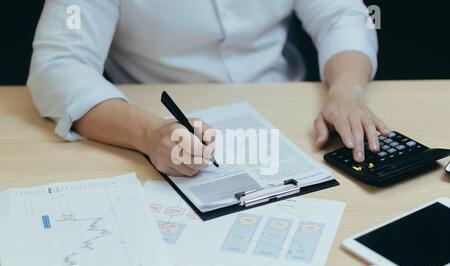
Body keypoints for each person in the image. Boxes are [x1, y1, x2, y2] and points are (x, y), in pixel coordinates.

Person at [28, 0, 390, 177]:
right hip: (164, 127)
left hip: (291, 121)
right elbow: (60, 65)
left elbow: (342, 14)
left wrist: (347, 90)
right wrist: (150, 134)